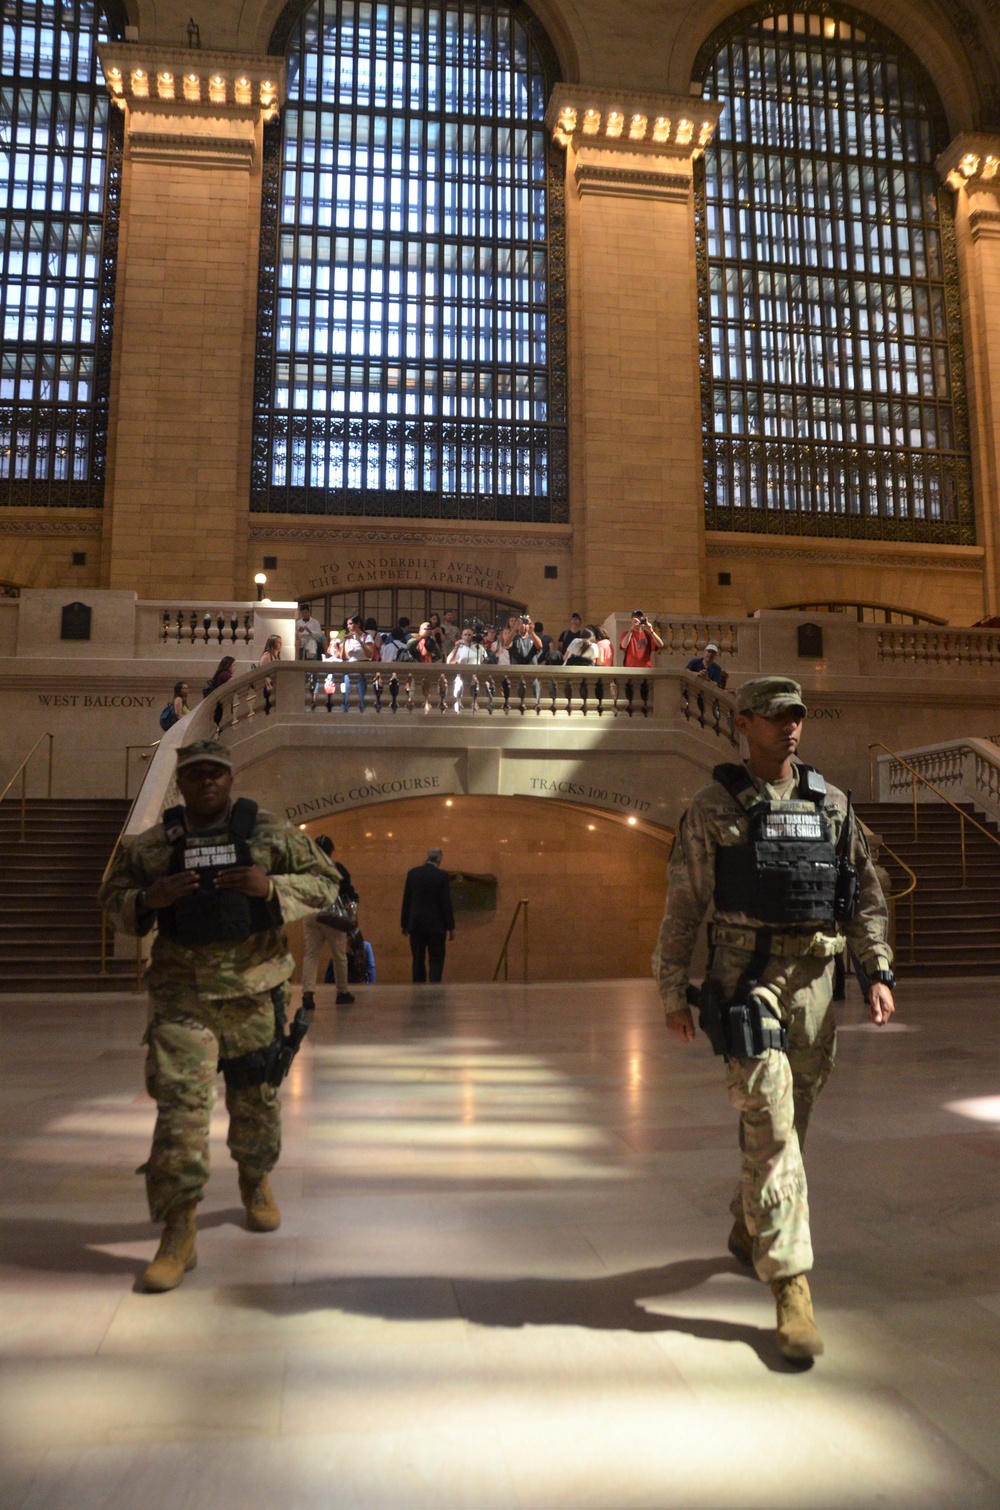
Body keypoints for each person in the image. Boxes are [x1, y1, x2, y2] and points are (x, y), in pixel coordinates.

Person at [653, 677, 895, 1362]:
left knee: (794, 1118)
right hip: (745, 979)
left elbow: (866, 893)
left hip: (818, 981)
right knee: (772, 1117)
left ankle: (746, 1221)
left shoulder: (833, 804)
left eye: (797, 716)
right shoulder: (713, 808)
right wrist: (672, 986)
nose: (790, 727)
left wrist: (876, 968)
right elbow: (684, 903)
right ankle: (791, 1285)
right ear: (744, 722)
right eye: (776, 716)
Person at [98, 738, 339, 1293]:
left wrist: (271, 887)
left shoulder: (268, 832)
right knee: (180, 1112)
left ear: (231, 780)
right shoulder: (156, 845)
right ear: (181, 783)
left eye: (217, 774)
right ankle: (178, 1232)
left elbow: (329, 884)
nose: (207, 782)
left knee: (255, 1104)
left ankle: (255, 1183)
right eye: (196, 774)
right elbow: (112, 898)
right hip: (183, 996)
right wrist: (148, 900)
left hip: (254, 995)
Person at [301, 835, 356, 1007]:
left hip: (310, 913)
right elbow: (348, 891)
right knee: (339, 956)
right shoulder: (337, 867)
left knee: (311, 954)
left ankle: (308, 994)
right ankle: (342, 992)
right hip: (332, 915)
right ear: (332, 851)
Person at [401, 847, 455, 983]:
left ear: (427, 857)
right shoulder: (442, 876)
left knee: (418, 958)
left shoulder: (413, 873)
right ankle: (434, 986)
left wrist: (404, 923)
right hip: (437, 925)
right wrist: (451, 927)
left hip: (416, 923)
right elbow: (446, 903)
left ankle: (418, 987)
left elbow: (407, 899)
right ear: (439, 859)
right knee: (436, 958)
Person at [341, 615, 368, 711]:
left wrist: (359, 640)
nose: (348, 626)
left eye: (351, 624)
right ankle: (346, 710)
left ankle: (362, 710)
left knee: (362, 693)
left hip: (362, 668)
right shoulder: (348, 639)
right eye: (347, 624)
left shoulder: (366, 637)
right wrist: (344, 642)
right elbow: (344, 657)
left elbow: (369, 654)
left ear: (358, 624)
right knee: (348, 693)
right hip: (350, 668)